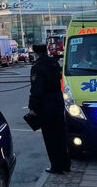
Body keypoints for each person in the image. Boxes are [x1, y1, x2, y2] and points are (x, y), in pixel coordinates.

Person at [28, 44, 70, 174]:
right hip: (58, 102)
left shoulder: (37, 66)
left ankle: (56, 166)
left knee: (50, 137)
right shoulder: (54, 63)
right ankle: (65, 164)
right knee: (61, 135)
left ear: (36, 53)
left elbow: (37, 88)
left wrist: (32, 107)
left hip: (46, 105)